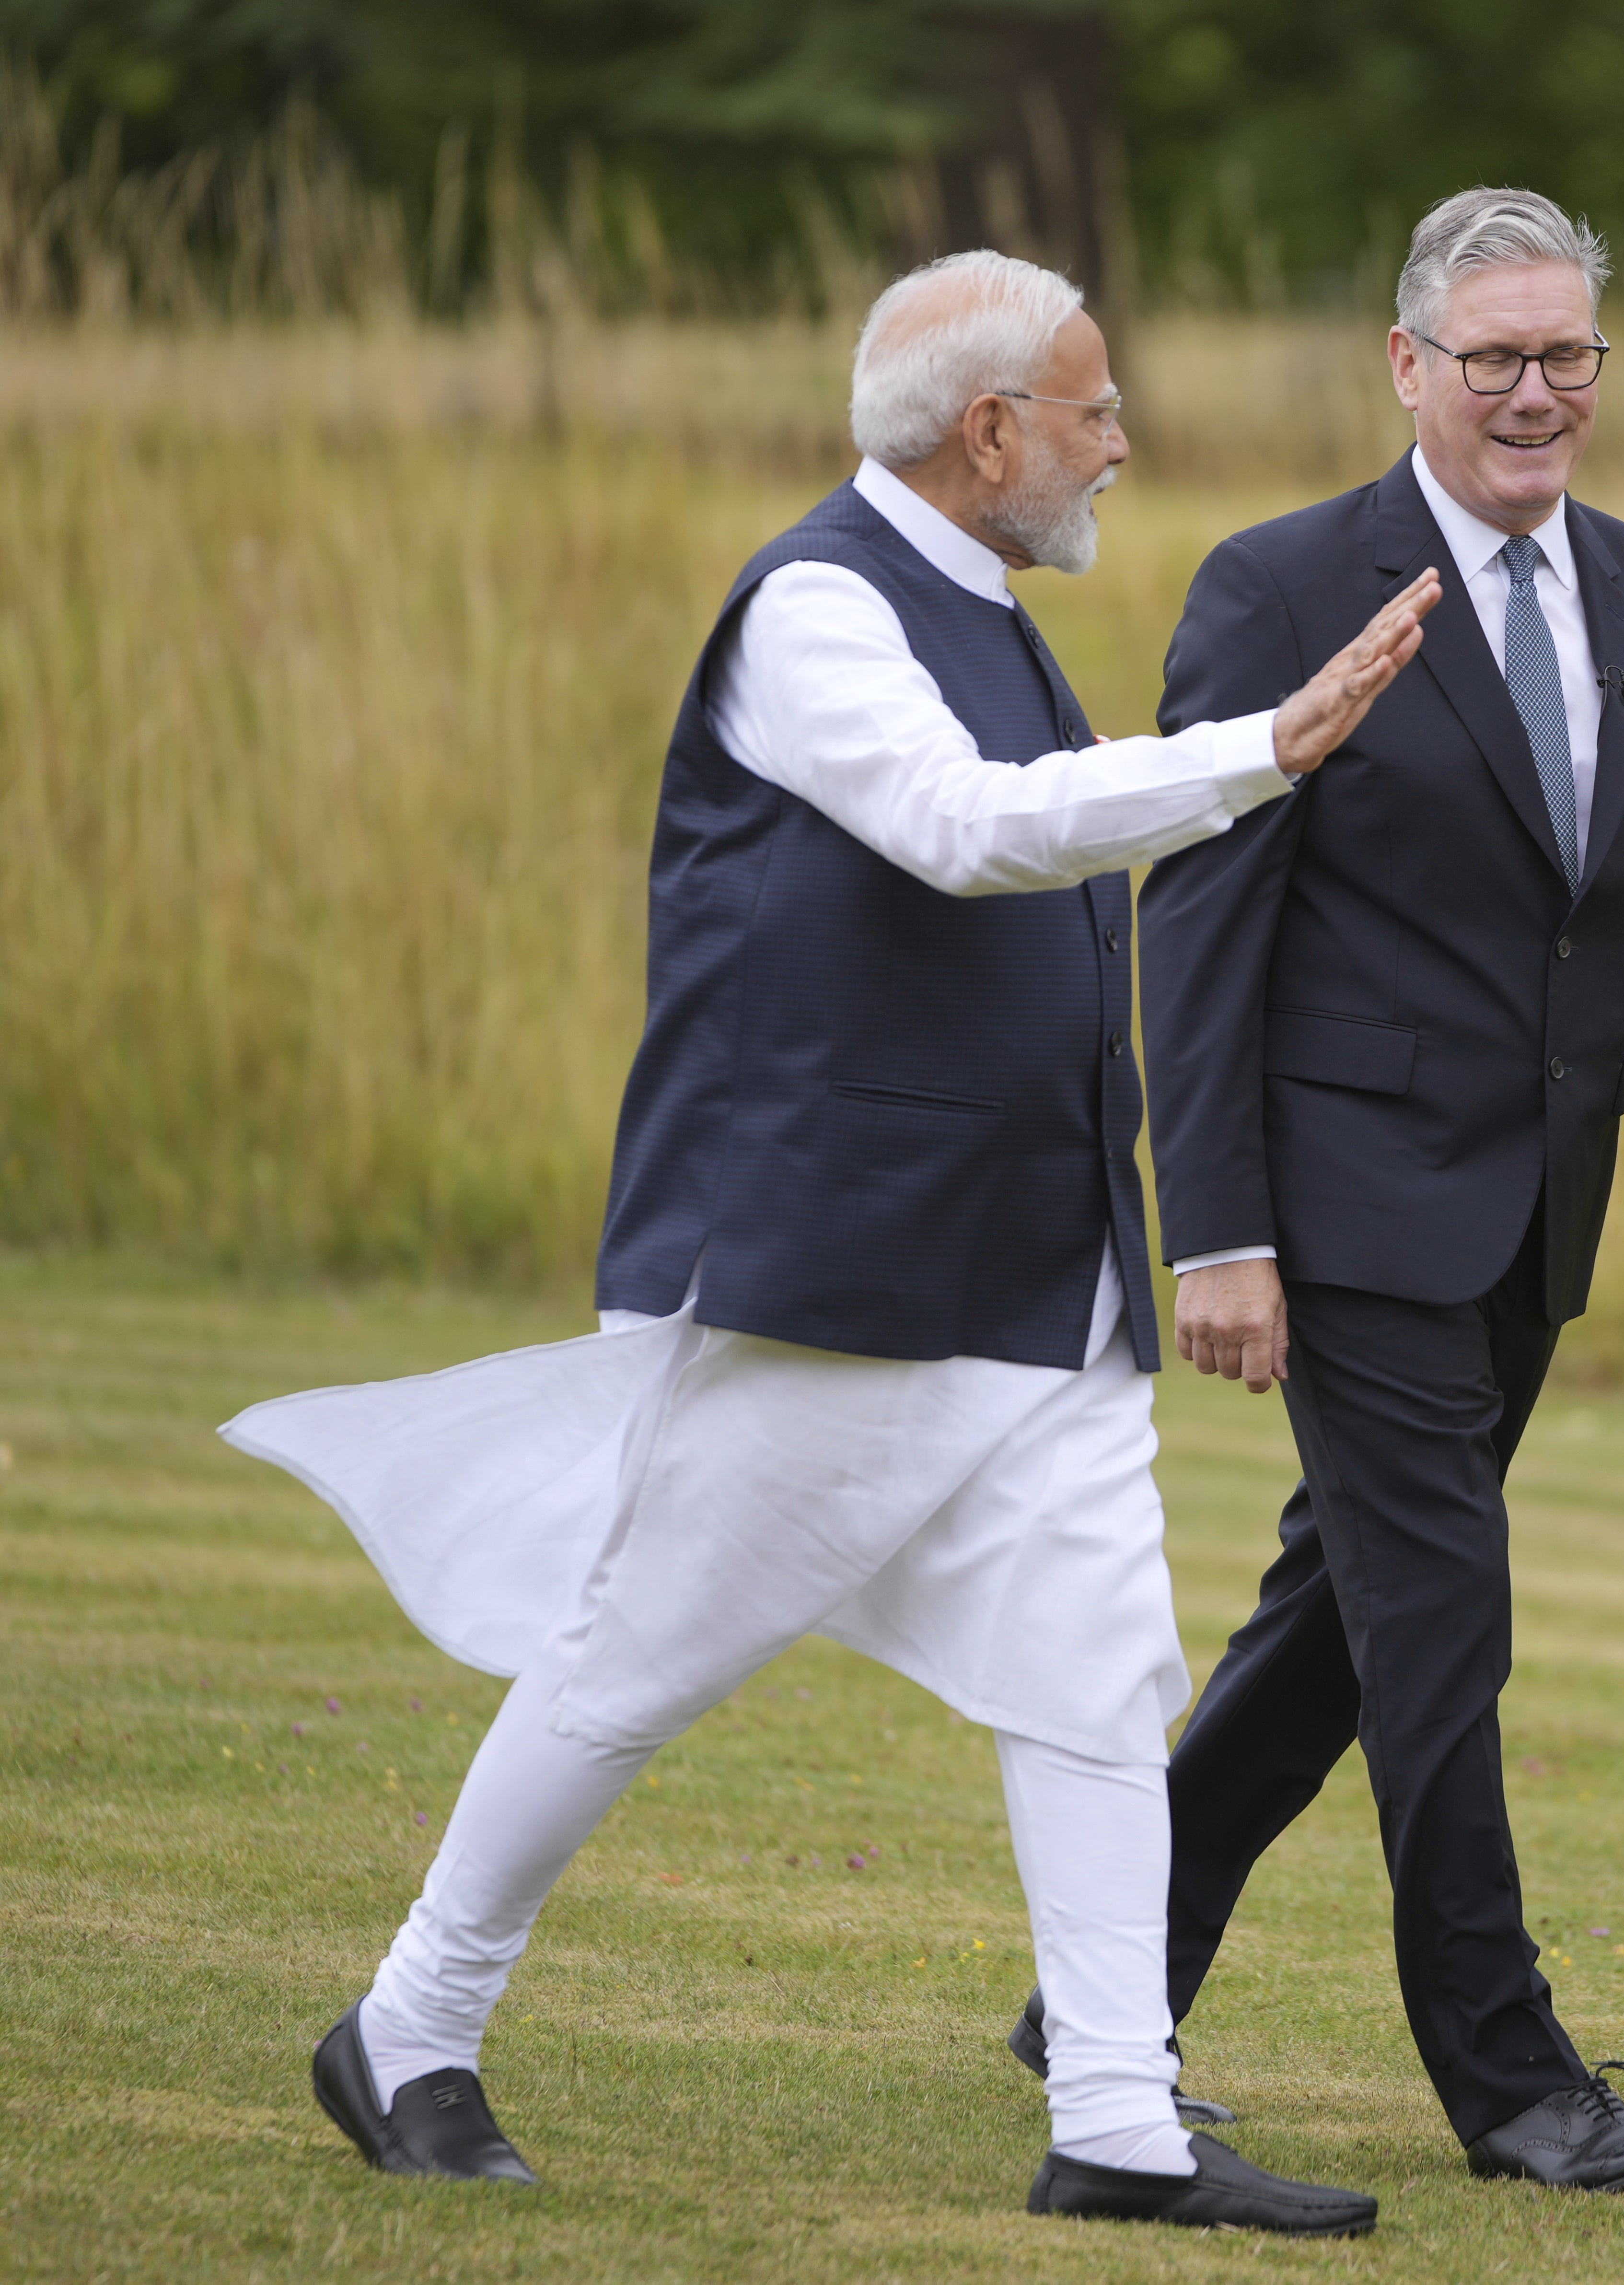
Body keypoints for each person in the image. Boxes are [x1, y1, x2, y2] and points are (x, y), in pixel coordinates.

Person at [220, 249, 1439, 2237]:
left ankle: (1120, 2121)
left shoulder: (985, 604)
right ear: (989, 435)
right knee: (640, 1653)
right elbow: (968, 826)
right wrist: (1262, 748)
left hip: (1045, 1271)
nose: (1123, 438)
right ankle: (409, 2026)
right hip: (851, 1267)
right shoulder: (816, 609)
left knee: (1099, 1672)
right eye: (1093, 406)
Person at [1009, 186, 1624, 2194]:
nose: (1537, 393)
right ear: (1408, 365)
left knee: (1339, 1631)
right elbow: (1207, 929)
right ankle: (1517, 2077)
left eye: (1570, 356)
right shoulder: (1282, 588)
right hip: (1346, 1213)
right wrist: (1230, 1232)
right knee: (1442, 1625)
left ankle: (1100, 1990)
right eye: (1496, 356)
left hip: (1539, 1210)